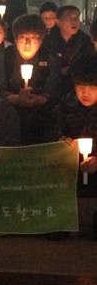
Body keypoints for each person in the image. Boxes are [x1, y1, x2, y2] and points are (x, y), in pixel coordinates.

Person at [0, 14, 61, 144]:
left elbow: (54, 92)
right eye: (23, 37)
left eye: (34, 38)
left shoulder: (50, 58)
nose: (28, 43)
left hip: (43, 120)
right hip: (7, 117)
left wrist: (38, 99)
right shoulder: (3, 57)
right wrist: (16, 99)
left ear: (42, 40)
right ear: (15, 38)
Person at [48, 54, 97, 195]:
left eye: (93, 87)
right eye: (80, 86)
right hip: (68, 179)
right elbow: (50, 136)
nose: (85, 93)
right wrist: (60, 142)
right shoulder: (64, 109)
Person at [43, 5, 93, 97]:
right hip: (51, 88)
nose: (74, 22)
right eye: (69, 19)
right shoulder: (47, 41)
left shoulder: (86, 42)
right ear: (58, 22)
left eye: (76, 18)